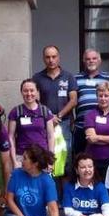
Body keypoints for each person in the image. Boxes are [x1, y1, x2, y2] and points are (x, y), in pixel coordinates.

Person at [32, 45, 78, 174]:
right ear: (43, 58)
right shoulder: (37, 78)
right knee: (45, 154)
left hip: (64, 122)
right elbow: (36, 101)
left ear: (59, 57)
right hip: (44, 122)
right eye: (47, 57)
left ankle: (63, 192)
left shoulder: (68, 77)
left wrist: (59, 116)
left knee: (65, 156)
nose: (51, 60)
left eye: (54, 56)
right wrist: (49, 117)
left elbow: (73, 100)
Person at [74, 48, 109, 156]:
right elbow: (72, 100)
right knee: (81, 161)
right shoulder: (75, 79)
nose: (91, 61)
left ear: (99, 61)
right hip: (81, 127)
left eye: (94, 58)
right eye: (88, 59)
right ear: (84, 61)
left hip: (106, 128)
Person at [8, 79, 55, 167]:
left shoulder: (45, 111)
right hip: (22, 156)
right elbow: (11, 137)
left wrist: (50, 160)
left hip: (42, 156)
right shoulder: (16, 112)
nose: (29, 94)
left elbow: (51, 136)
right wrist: (14, 161)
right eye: (25, 91)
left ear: (37, 92)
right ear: (21, 92)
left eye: (32, 90)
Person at [84, 82, 109, 176]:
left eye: (106, 96)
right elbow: (90, 139)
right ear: (97, 97)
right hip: (93, 160)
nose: (103, 99)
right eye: (100, 96)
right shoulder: (90, 115)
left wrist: (97, 138)